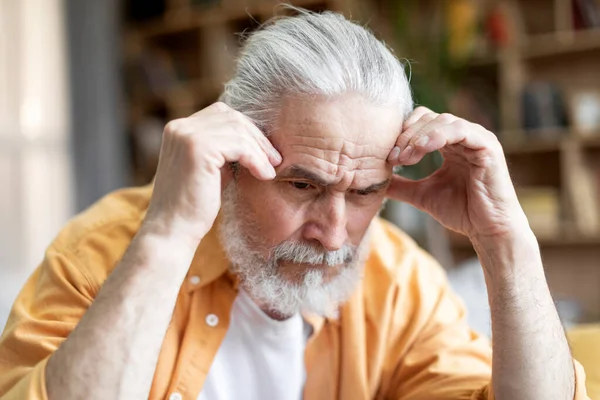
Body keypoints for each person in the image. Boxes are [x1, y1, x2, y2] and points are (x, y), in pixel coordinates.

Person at [0, 8, 589, 400]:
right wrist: (168, 236)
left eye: (363, 193)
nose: (334, 235)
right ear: (232, 163)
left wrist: (505, 243)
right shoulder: (102, 252)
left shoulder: (401, 283)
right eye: (302, 186)